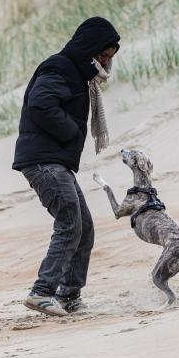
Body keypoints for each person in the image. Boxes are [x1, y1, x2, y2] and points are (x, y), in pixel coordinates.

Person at [12, 17, 120, 316]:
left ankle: (70, 296)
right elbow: (40, 103)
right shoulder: (59, 67)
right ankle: (42, 293)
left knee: (83, 227)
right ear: (90, 48)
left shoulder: (77, 73)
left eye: (109, 57)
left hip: (54, 161)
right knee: (70, 222)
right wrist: (72, 131)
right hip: (43, 161)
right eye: (103, 54)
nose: (106, 62)